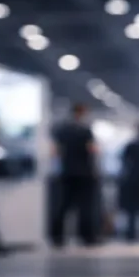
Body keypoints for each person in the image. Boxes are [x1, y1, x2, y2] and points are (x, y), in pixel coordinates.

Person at [51, 103, 98, 248]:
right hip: (84, 173)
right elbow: (92, 150)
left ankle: (58, 237)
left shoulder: (62, 130)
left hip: (67, 172)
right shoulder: (86, 131)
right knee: (85, 206)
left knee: (63, 205)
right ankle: (86, 237)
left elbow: (56, 152)